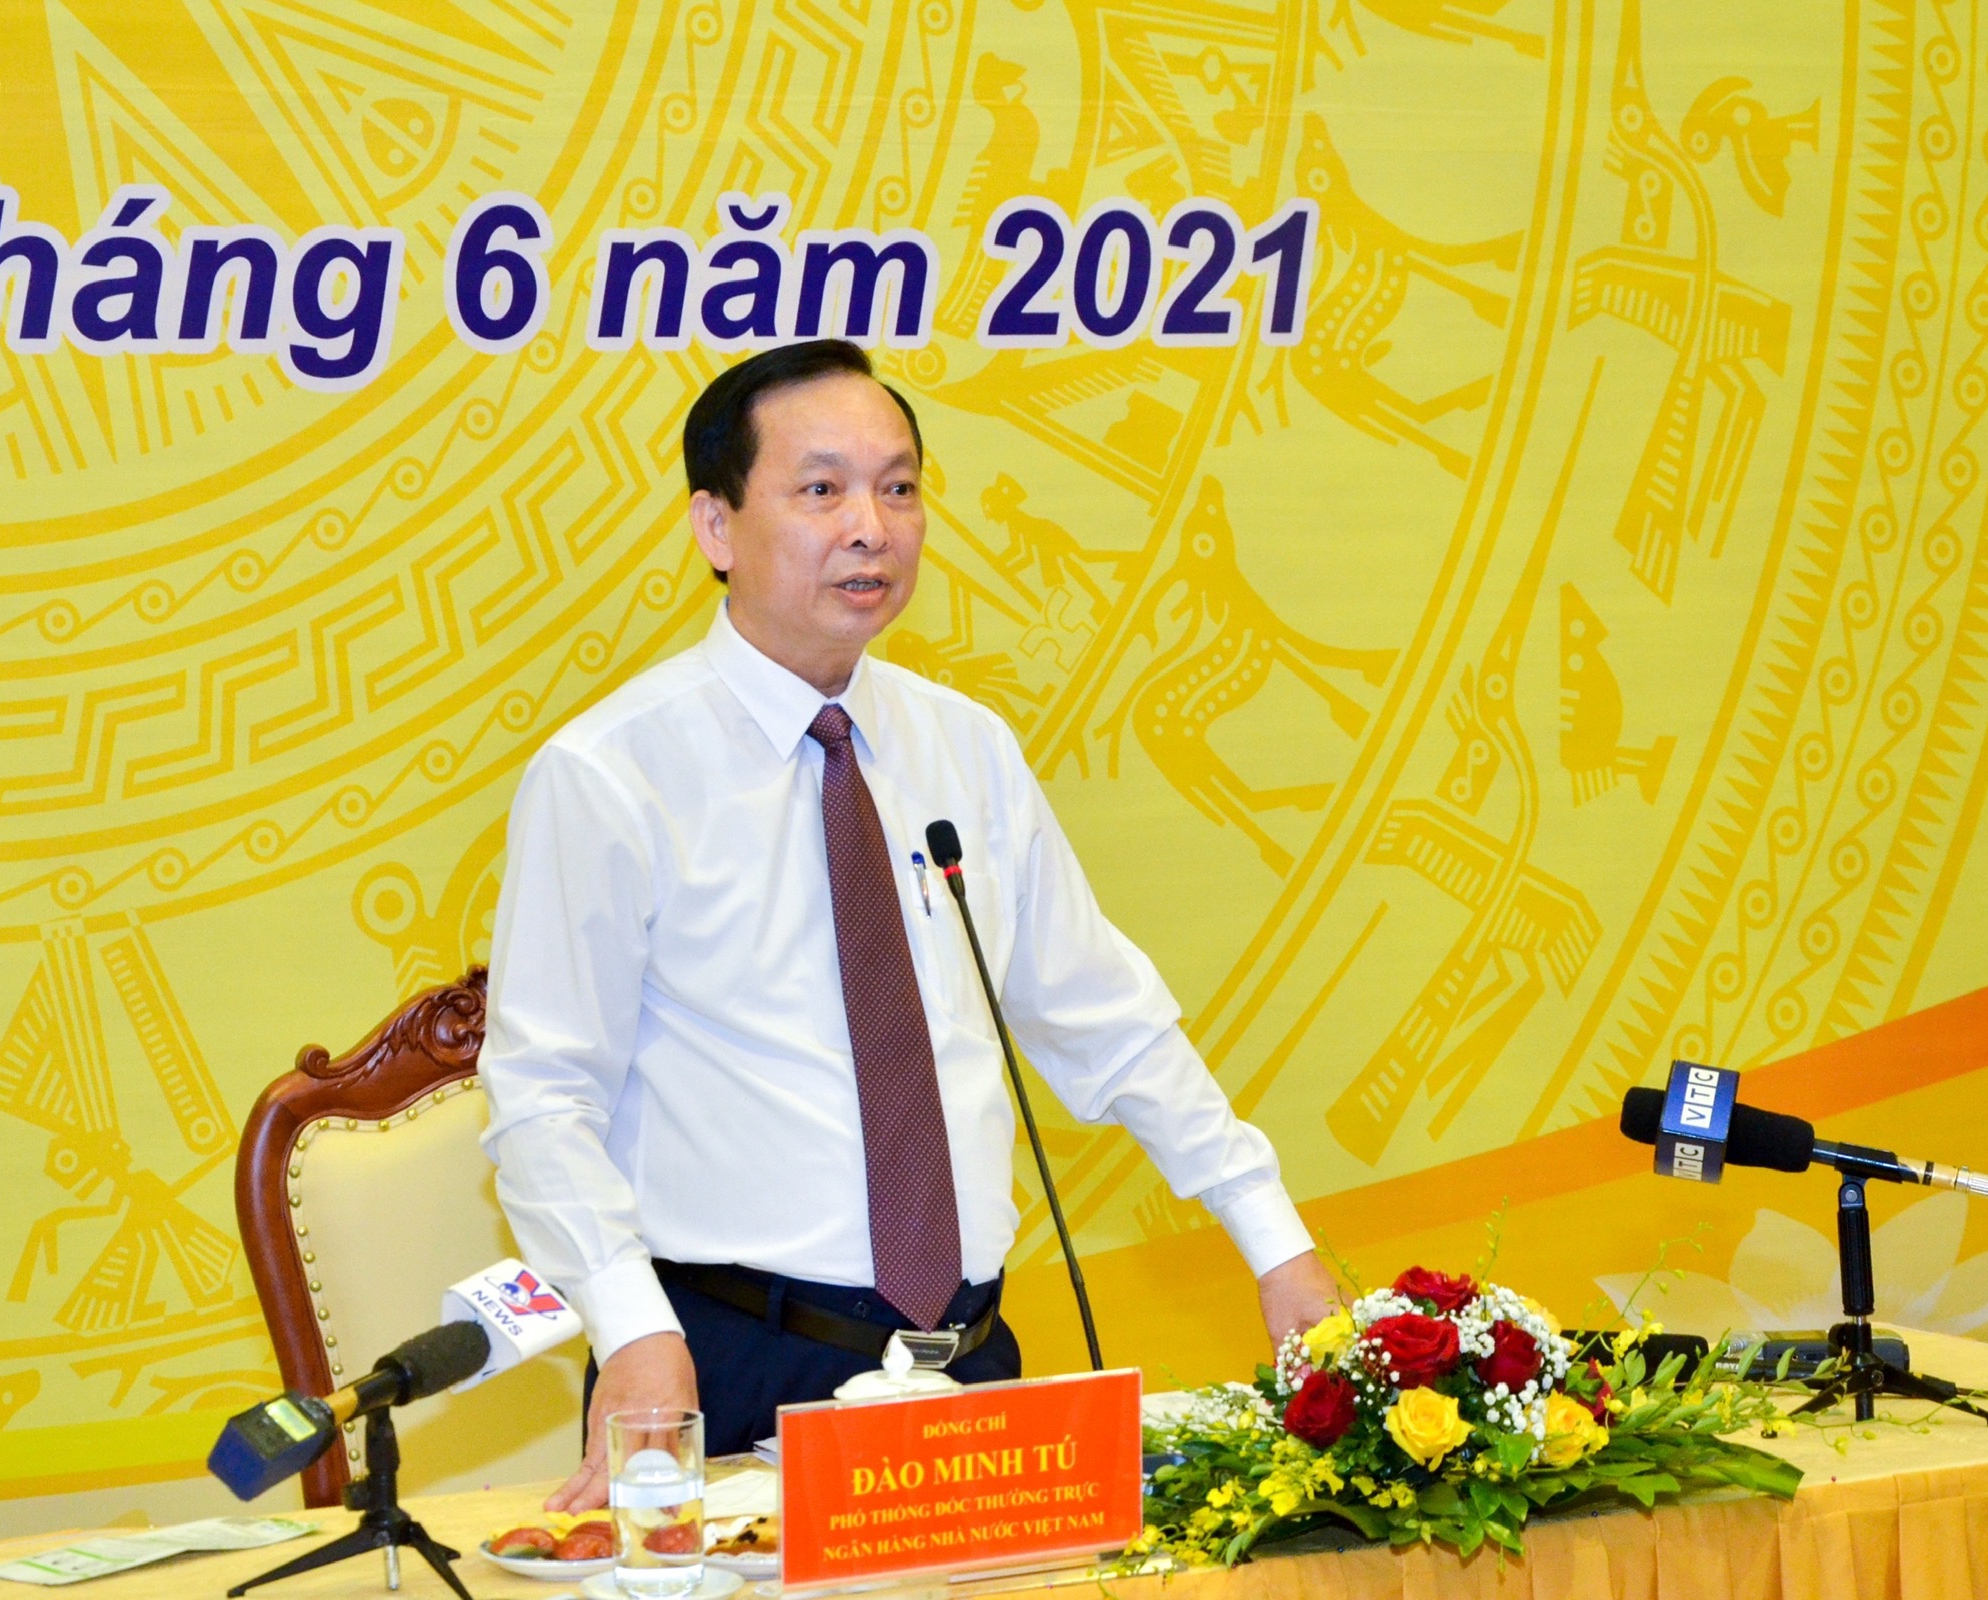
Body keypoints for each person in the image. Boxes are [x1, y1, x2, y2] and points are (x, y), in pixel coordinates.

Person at [478, 339, 1341, 1511]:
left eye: (897, 488)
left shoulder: (963, 747)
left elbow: (1106, 1020)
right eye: (821, 489)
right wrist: (632, 1328)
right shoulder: (610, 774)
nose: (870, 528)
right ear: (715, 525)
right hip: (733, 1368)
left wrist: (1272, 1238)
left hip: (972, 1366)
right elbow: (542, 1099)